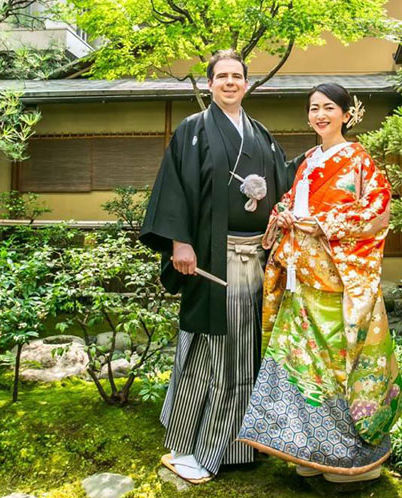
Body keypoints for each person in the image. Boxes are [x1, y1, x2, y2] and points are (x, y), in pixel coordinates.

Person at [139, 49, 299, 484]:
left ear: (246, 84)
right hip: (211, 257)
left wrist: (314, 163)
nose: (230, 82)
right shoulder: (193, 130)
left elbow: (283, 184)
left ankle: (230, 448)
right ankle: (195, 442)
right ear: (209, 84)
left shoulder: (262, 134)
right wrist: (181, 242)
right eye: (222, 76)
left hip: (256, 259)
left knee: (243, 353)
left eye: (237, 76)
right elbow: (175, 188)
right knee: (209, 348)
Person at [237, 83, 402, 483]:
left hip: (337, 281)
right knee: (301, 367)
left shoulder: (360, 160)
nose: (320, 115)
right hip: (301, 279)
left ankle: (349, 459)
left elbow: (377, 214)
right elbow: (291, 202)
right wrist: (281, 215)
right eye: (313, 108)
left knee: (334, 366)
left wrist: (322, 224)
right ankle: (310, 450)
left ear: (348, 114)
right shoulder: (309, 159)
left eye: (329, 108)